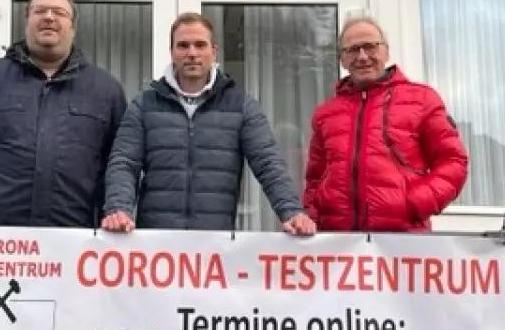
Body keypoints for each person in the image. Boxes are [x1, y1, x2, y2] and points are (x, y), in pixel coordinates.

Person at [101, 12, 315, 235]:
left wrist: (291, 212)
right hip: (157, 244)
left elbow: (268, 163)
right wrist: (118, 209)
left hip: (215, 243)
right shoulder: (144, 105)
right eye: (183, 46)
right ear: (172, 52)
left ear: (213, 51)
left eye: (200, 45)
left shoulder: (241, 105)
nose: (192, 53)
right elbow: (124, 163)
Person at [0, 0, 126, 227]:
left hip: (76, 238)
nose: (49, 17)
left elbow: (121, 163)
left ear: (73, 28)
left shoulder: (105, 90)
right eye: (40, 11)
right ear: (27, 22)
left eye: (59, 12)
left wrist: (114, 215)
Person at [304, 14, 467, 232]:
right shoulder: (325, 114)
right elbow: (315, 179)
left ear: (386, 51)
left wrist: (414, 204)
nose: (362, 56)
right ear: (342, 59)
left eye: (370, 46)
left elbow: (453, 162)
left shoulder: (423, 100)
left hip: (402, 242)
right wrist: (313, 217)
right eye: (352, 49)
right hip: (338, 243)